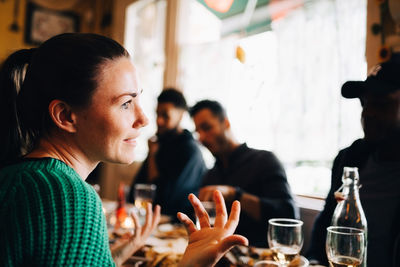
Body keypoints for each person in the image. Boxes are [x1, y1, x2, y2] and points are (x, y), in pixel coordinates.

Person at [0, 33, 247, 267]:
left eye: (139, 101)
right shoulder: (66, 196)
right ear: (65, 116)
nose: (143, 119)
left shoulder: (20, 177)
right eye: (126, 103)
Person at [307, 55, 400, 267]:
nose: (368, 113)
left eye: (382, 104)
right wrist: (313, 260)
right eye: (365, 103)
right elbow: (326, 221)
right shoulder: (350, 158)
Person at [189, 100, 299, 247]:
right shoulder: (211, 175)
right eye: (198, 132)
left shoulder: (264, 161)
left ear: (226, 123)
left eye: (207, 128)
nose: (201, 138)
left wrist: (234, 194)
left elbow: (288, 215)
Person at [129, 88, 206, 218]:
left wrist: (152, 156)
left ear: (181, 115)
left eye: (165, 115)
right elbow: (136, 191)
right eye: (157, 114)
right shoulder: (160, 144)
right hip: (152, 220)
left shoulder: (190, 151)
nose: (159, 121)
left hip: (176, 224)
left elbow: (165, 199)